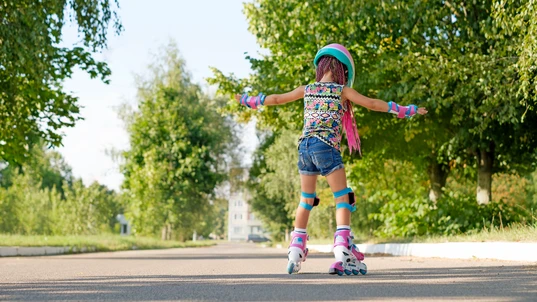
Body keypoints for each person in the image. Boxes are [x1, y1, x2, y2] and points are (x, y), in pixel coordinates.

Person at [235, 44, 427, 275]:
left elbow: (276, 99)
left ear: (321, 67)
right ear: (343, 71)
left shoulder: (307, 89)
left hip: (304, 147)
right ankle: (342, 247)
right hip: (326, 147)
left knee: (306, 199)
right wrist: (406, 110)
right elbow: (374, 104)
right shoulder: (342, 91)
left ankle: (296, 249)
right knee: (342, 197)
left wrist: (249, 100)